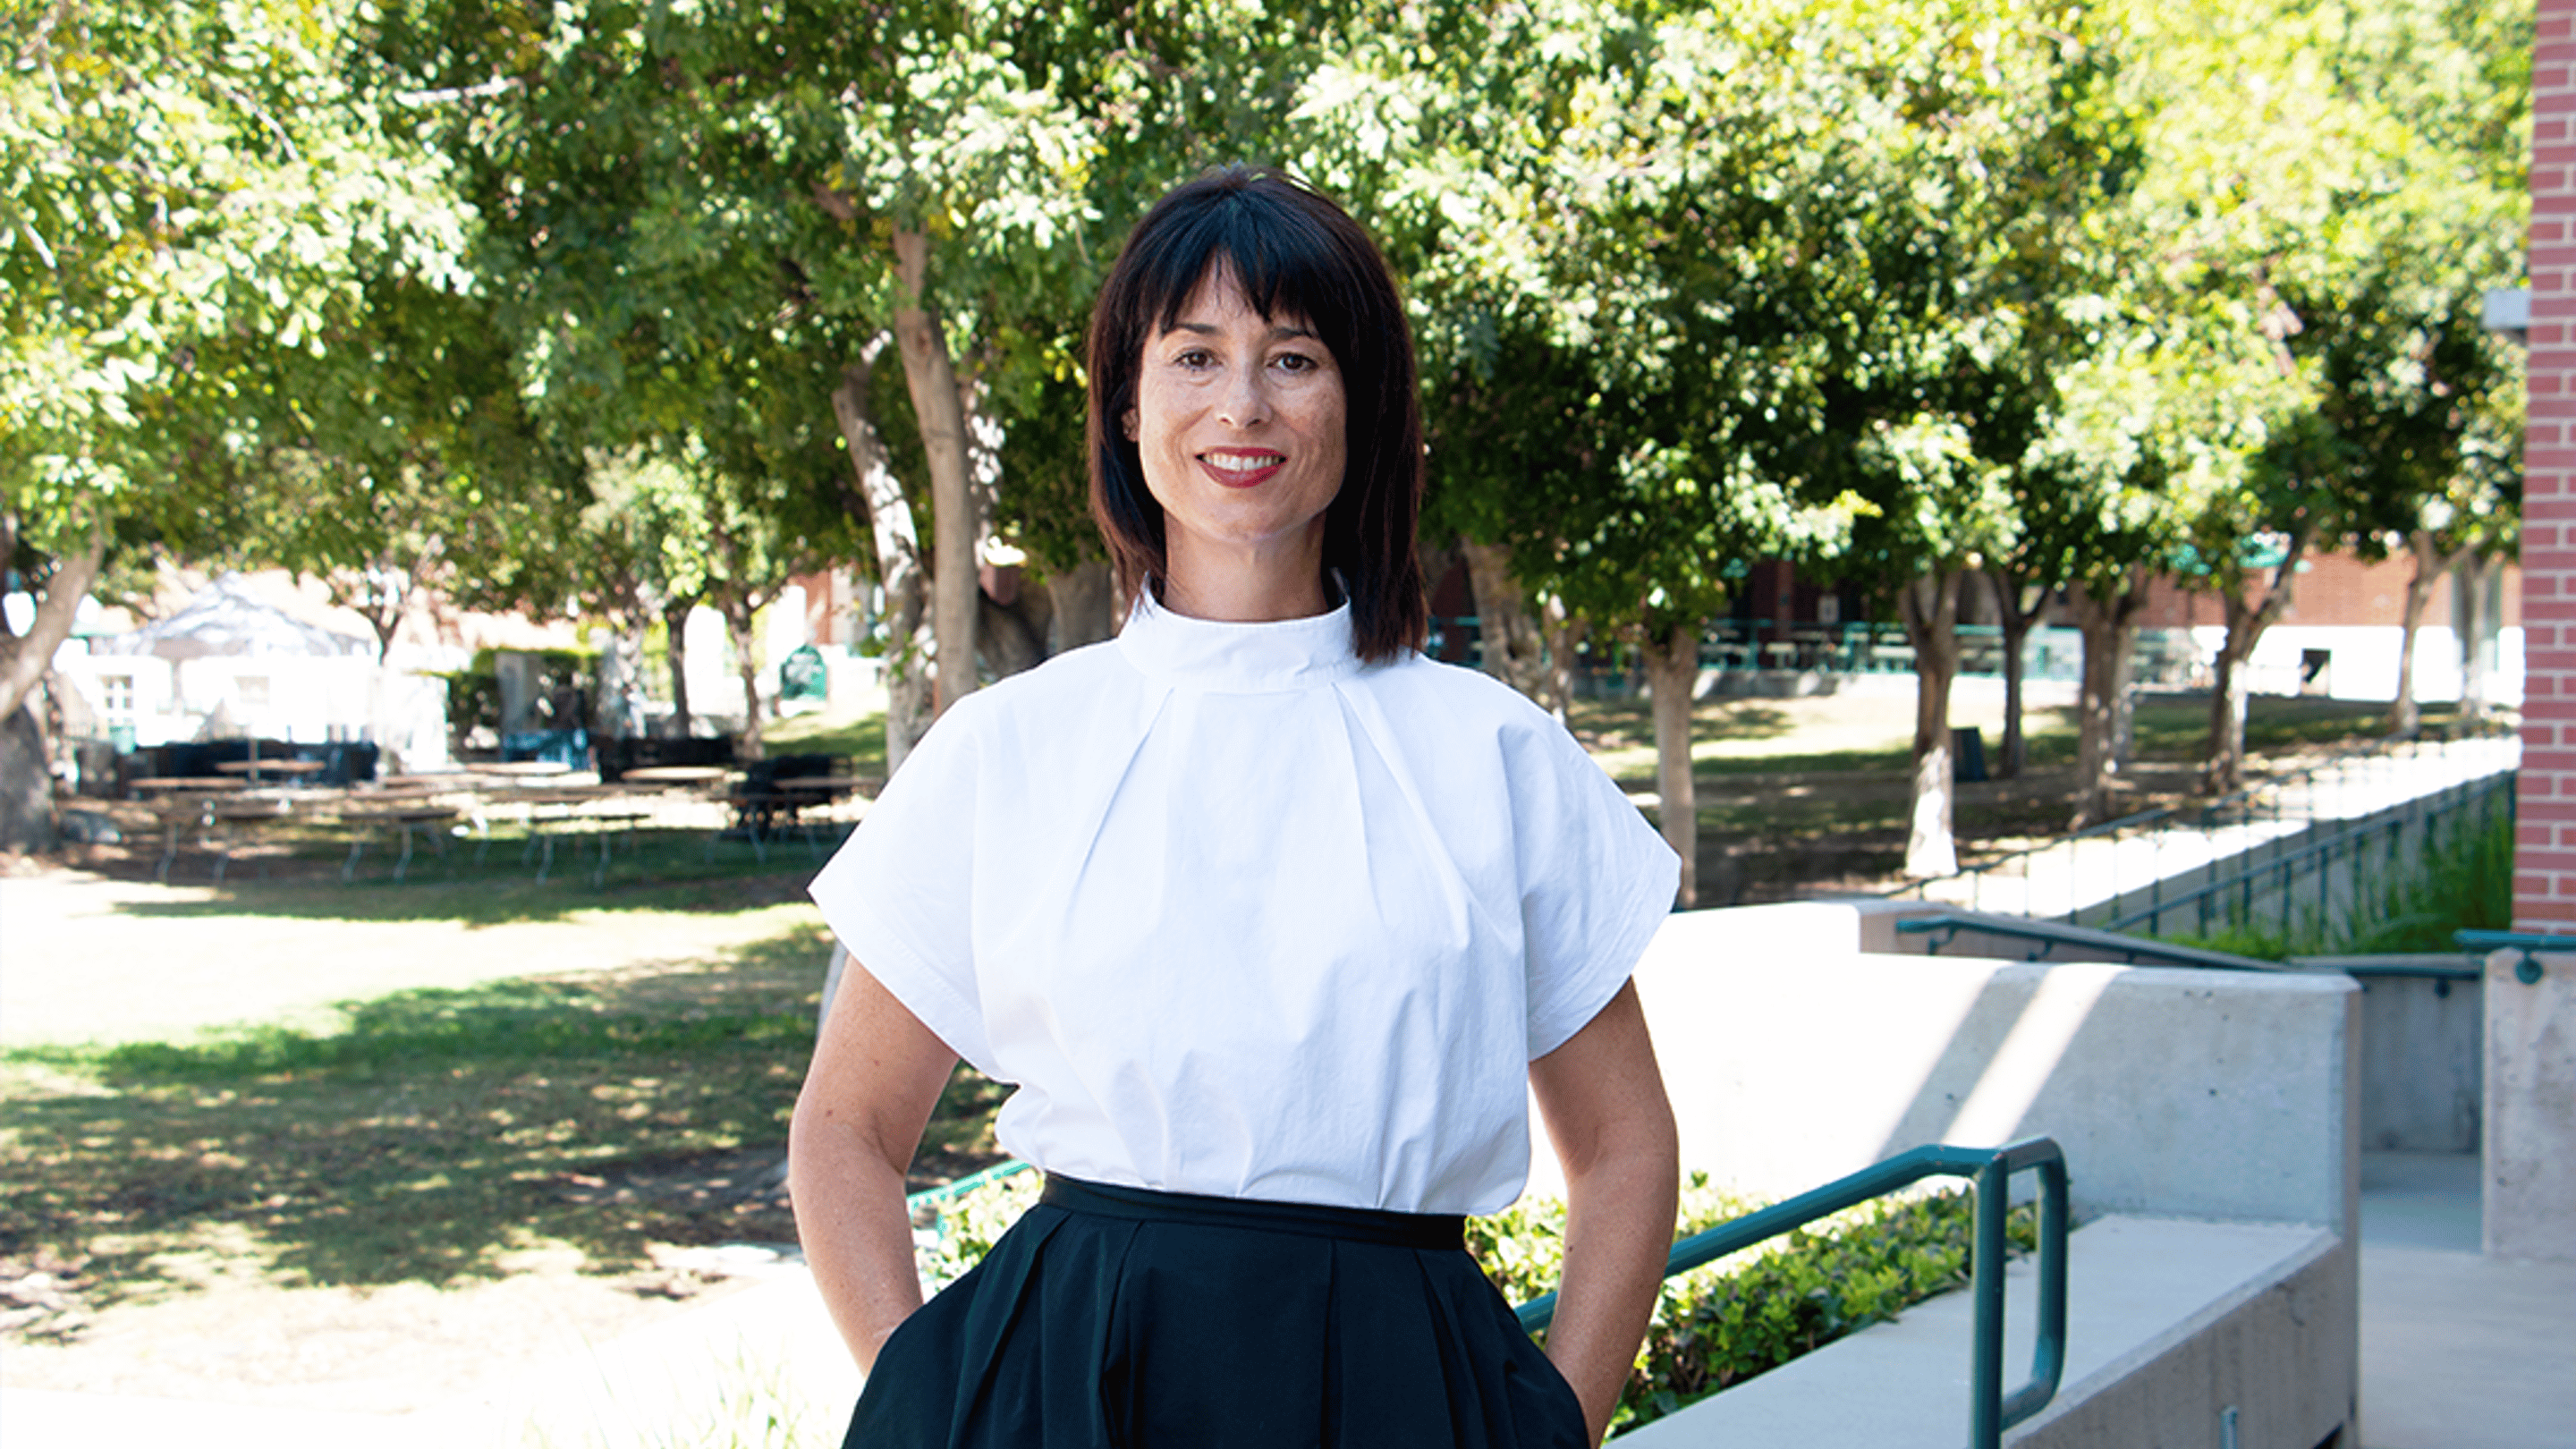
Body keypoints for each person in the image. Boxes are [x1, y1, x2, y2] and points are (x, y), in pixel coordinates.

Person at [791, 165, 1682, 1449]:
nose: (1243, 405)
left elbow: (1626, 1144)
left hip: (1403, 1385)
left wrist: (1552, 1427)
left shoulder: (1494, 754)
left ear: (1362, 405)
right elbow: (843, 1129)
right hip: (1069, 1382)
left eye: (1296, 357)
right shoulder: (1008, 748)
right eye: (1195, 356)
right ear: (1129, 406)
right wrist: (932, 1406)